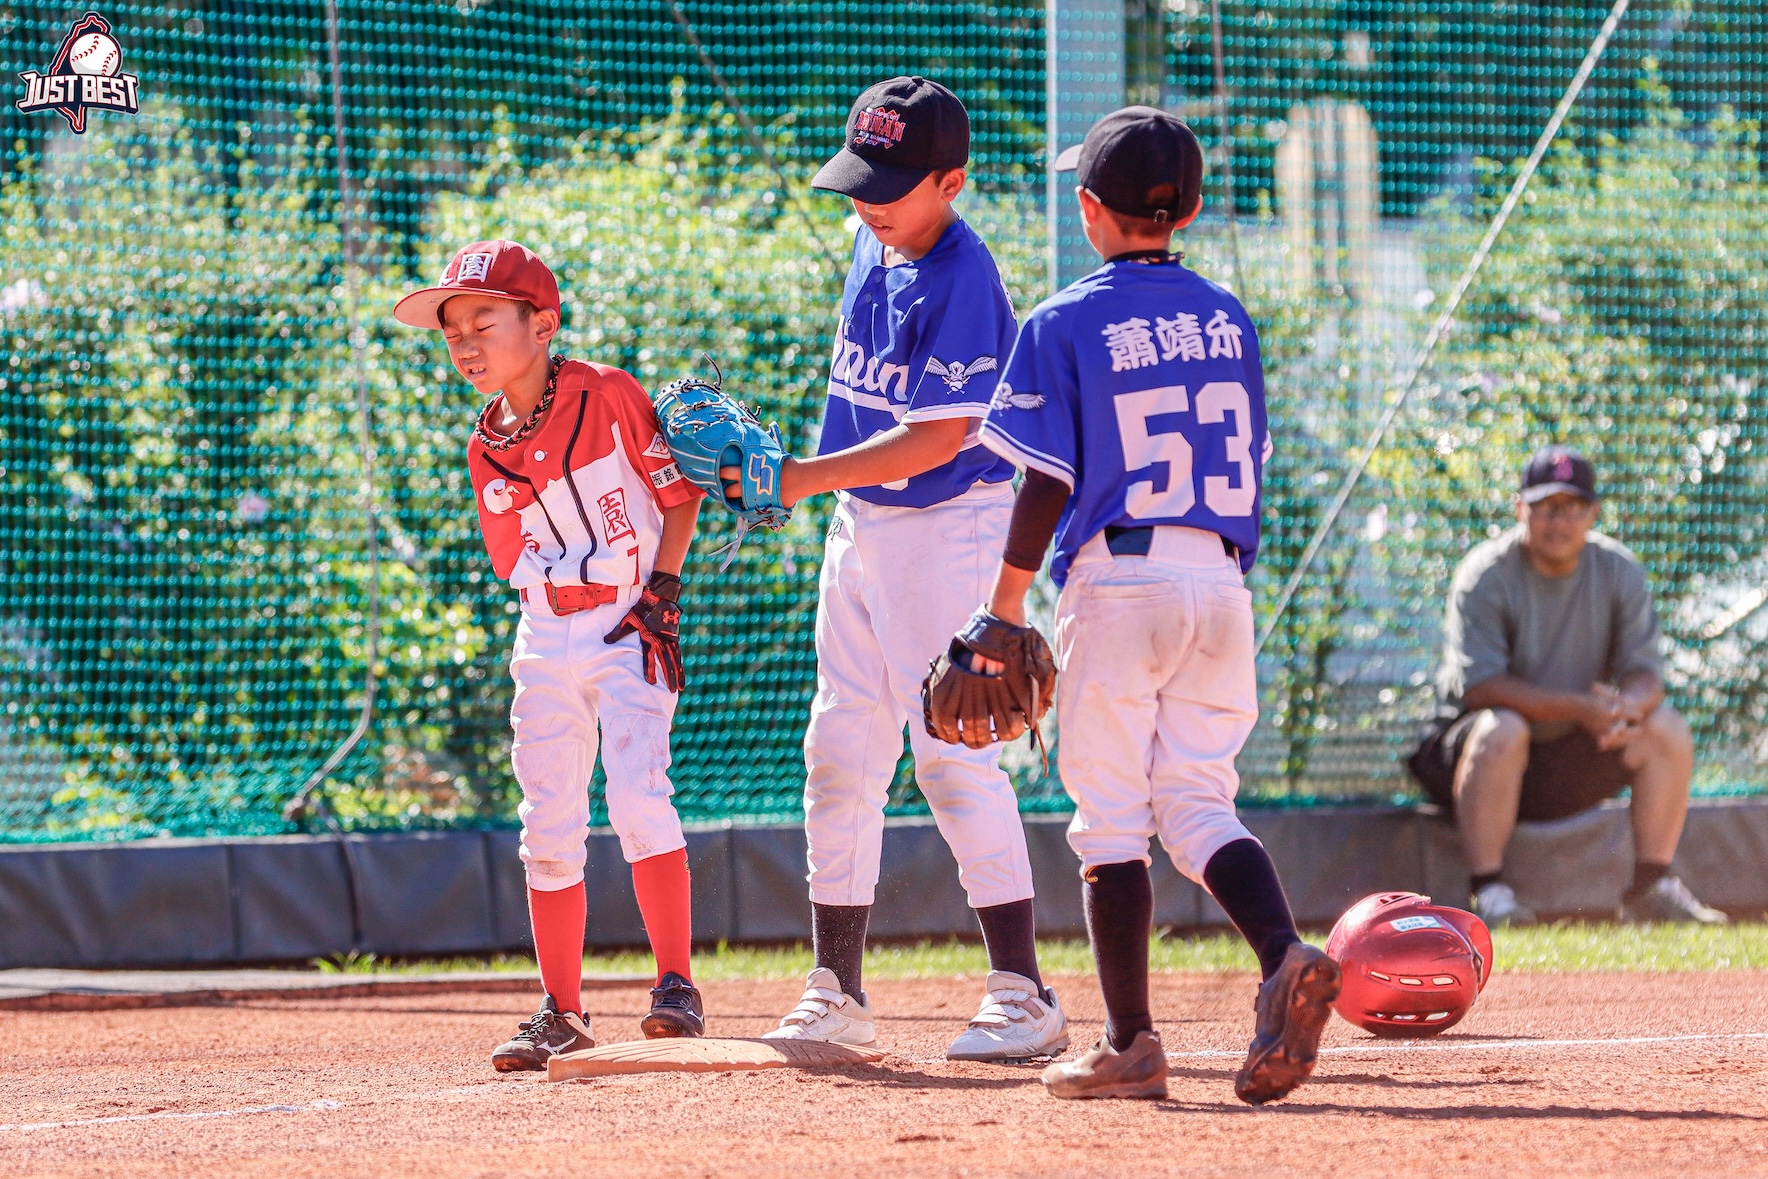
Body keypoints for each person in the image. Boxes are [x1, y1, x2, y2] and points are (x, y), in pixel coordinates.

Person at [962, 106, 1340, 1105]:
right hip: (1219, 581)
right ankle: (1282, 952)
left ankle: (1130, 1040)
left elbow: (1045, 479)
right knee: (1197, 801)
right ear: (1194, 207)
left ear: (1088, 210)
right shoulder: (1226, 317)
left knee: (1110, 818)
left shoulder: (1064, 317)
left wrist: (1003, 608)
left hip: (1120, 578)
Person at [746, 76, 1067, 1062]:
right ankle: (834, 990)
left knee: (950, 753)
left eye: (891, 186)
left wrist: (796, 477)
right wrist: (810, 480)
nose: (869, 202)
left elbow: (933, 438)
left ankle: (1024, 993)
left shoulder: (965, 276)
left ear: (954, 180)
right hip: (862, 525)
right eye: (859, 182)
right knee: (838, 750)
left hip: (948, 525)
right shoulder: (874, 239)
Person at [393, 239, 711, 1071]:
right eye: (452, 328)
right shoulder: (483, 443)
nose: (463, 342)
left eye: (483, 321)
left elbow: (678, 498)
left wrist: (663, 593)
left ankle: (676, 985)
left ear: (544, 323)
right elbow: (514, 558)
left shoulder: (605, 394)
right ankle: (562, 1009)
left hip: (629, 620)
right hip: (544, 635)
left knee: (640, 799)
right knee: (548, 824)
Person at [1408, 446, 1725, 927]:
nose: (1559, 521)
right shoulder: (1485, 573)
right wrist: (1581, 709)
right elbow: (1481, 689)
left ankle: (1651, 888)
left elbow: (1646, 674)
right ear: (1520, 509)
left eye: (1573, 507)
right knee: (1503, 727)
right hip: (1473, 757)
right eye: (1545, 507)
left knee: (1665, 727)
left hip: (1570, 754)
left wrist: (1627, 707)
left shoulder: (1619, 570)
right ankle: (1489, 896)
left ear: (1593, 513)